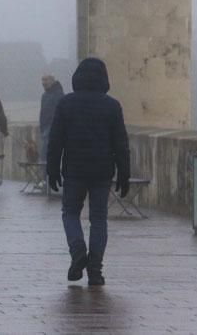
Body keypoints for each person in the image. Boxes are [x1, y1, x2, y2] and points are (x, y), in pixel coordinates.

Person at [47, 58, 130, 287]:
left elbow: (56, 141)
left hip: (74, 169)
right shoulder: (112, 105)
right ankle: (95, 270)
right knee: (98, 219)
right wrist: (124, 172)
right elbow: (120, 143)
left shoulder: (66, 104)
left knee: (70, 212)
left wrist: (52, 168)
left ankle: (77, 251)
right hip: (102, 171)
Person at [39, 74, 65, 181]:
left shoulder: (58, 94)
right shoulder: (45, 95)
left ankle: (47, 180)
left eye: (46, 80)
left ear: (52, 81)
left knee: (46, 155)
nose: (43, 82)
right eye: (42, 80)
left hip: (52, 128)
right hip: (45, 128)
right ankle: (46, 180)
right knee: (45, 155)